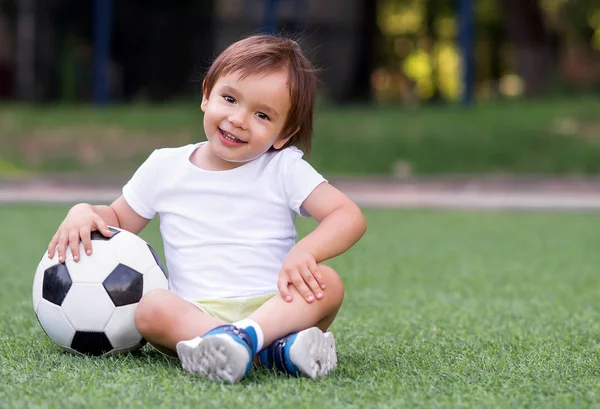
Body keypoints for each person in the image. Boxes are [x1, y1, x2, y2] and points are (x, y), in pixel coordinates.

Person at [47, 34, 367, 383]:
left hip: (276, 305)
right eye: (229, 99)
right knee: (152, 308)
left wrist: (306, 251)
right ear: (206, 94)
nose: (239, 119)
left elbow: (347, 215)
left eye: (262, 114)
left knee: (328, 283)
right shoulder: (165, 166)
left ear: (284, 132)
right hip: (196, 314)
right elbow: (119, 219)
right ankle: (274, 352)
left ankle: (245, 342)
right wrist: (84, 210)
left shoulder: (283, 168)